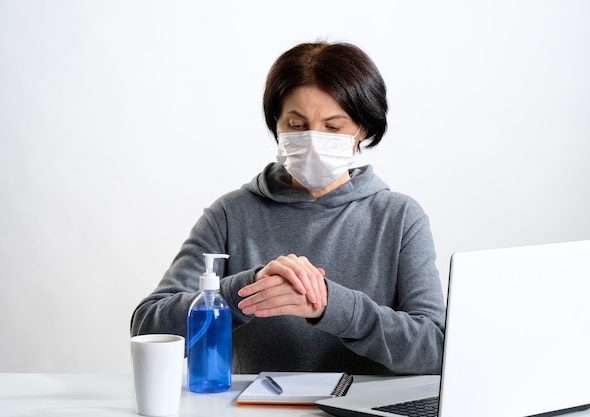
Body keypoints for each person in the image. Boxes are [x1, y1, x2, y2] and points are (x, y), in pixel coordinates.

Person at [131, 41, 445, 376]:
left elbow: (435, 349)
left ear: (362, 129)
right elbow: (147, 327)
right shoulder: (229, 214)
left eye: (333, 127)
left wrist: (332, 305)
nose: (313, 140)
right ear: (277, 126)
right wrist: (244, 291)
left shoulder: (399, 218)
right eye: (297, 125)